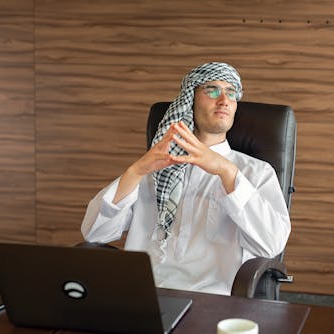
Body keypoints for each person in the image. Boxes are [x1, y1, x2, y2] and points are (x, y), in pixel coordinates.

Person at [81, 62, 291, 295]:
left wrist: (227, 172)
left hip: (212, 301)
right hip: (143, 294)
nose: (224, 100)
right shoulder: (156, 166)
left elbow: (271, 245)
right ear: (190, 99)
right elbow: (94, 234)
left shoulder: (256, 172)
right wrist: (136, 171)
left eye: (231, 92)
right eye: (212, 90)